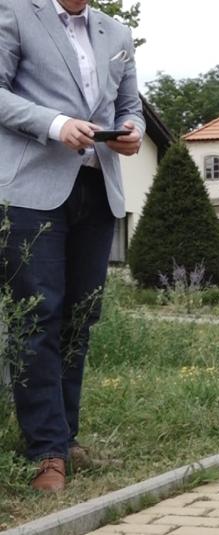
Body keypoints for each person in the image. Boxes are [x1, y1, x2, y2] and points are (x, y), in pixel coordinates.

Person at [0, 0, 145, 491]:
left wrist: (134, 132)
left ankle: (64, 437)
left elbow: (129, 106)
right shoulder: (15, 13)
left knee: (79, 319)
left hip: (98, 190)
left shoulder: (116, 34)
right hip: (31, 191)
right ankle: (45, 451)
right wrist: (55, 124)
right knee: (37, 316)